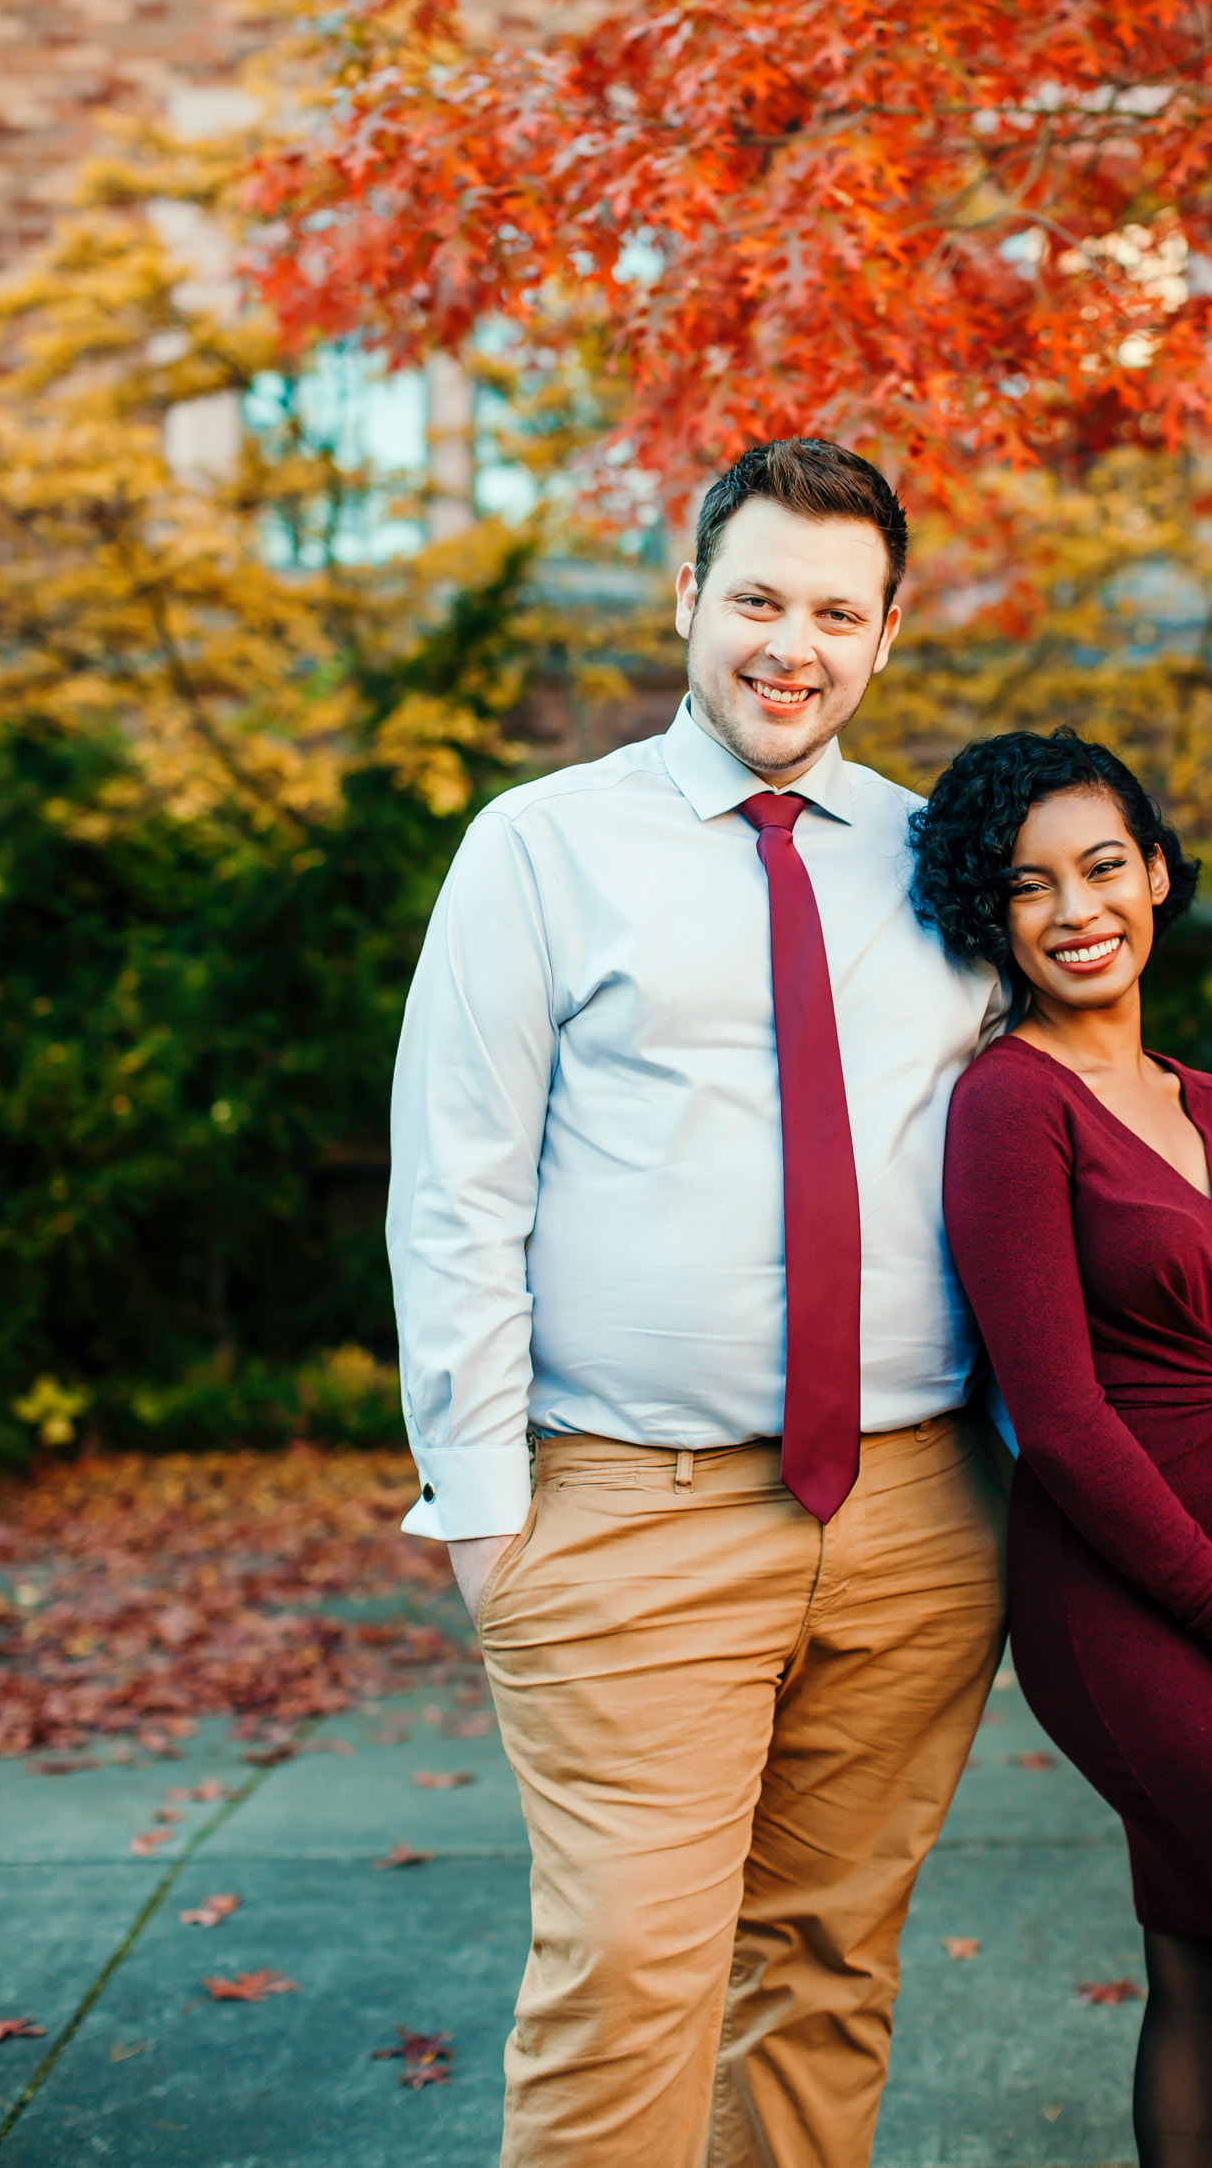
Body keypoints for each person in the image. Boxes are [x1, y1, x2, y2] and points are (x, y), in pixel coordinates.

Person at [387, 438, 1007, 2168]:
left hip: (918, 1523)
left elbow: (1038, 1139)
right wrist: (487, 1513)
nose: (787, 643)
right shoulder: (542, 846)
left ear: (888, 634)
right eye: (755, 598)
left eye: (833, 609)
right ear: (686, 601)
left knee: (826, 1980)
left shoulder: (939, 859)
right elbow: (455, 1190)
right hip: (629, 1518)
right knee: (626, 1990)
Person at [911, 726, 1212, 2168]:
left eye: (1104, 866)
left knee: (1208, 1969)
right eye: (1027, 887)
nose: (1076, 911)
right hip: (1124, 1615)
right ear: (984, 916)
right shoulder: (1009, 1105)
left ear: (1160, 872)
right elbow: (1059, 1421)